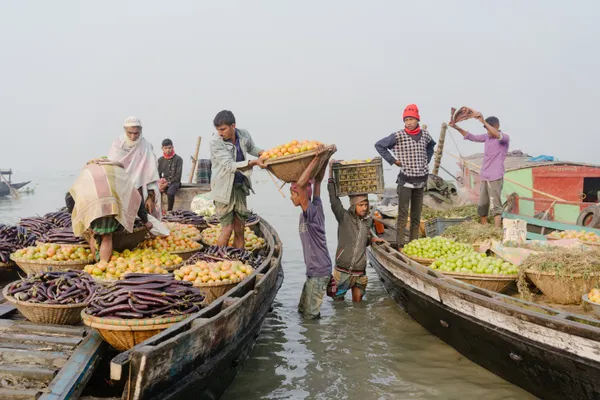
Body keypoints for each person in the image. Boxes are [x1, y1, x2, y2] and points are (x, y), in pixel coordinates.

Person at [375, 104, 436, 250]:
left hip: (420, 180)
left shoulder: (425, 135)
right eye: (406, 119)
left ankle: (413, 244)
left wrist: (426, 160)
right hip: (405, 180)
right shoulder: (398, 135)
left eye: (411, 119)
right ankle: (401, 245)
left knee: (416, 215)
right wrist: (393, 161)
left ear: (417, 120)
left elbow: (431, 146)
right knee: (403, 214)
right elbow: (379, 145)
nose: (409, 122)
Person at [67, 158, 152, 262]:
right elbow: (136, 197)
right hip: (107, 205)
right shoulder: (118, 173)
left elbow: (70, 196)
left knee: (93, 234)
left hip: (88, 205)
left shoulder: (87, 171)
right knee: (106, 236)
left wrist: (77, 217)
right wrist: (145, 221)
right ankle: (103, 265)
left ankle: (96, 262)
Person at [327, 159, 386, 302]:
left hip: (360, 272)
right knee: (339, 304)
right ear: (354, 206)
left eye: (366, 204)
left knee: (359, 305)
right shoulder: (343, 217)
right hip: (342, 272)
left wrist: (373, 239)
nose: (364, 208)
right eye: (361, 205)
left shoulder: (368, 221)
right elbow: (333, 199)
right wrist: (330, 172)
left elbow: (364, 240)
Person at [291, 145, 335, 319]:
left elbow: (302, 185)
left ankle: (315, 343)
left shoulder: (311, 212)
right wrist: (325, 159)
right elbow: (317, 181)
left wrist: (316, 158)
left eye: (293, 195)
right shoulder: (316, 205)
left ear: (301, 196)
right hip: (315, 270)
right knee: (302, 311)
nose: (291, 198)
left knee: (310, 316)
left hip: (319, 271)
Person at [210, 110, 265, 248]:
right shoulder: (215, 142)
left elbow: (252, 148)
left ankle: (238, 259)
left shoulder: (244, 134)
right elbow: (229, 165)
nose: (220, 133)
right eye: (218, 130)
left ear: (233, 126)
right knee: (227, 229)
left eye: (223, 129)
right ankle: (218, 260)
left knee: (240, 228)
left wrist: (263, 153)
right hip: (223, 190)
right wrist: (254, 162)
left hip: (239, 186)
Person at [449, 113, 509, 227]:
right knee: (482, 203)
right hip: (485, 176)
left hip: (495, 177)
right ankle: (484, 226)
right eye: (486, 129)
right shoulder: (487, 138)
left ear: (496, 127)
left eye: (489, 129)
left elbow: (497, 134)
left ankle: (496, 229)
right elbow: (471, 136)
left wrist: (483, 121)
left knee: (495, 204)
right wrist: (456, 127)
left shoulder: (503, 138)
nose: (487, 132)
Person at [108, 116, 161, 219]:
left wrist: (150, 196)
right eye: (130, 133)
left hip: (140, 189)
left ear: (141, 131)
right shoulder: (117, 145)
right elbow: (113, 169)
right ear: (125, 130)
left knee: (143, 219)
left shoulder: (146, 146)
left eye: (136, 133)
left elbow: (151, 174)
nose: (133, 136)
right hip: (122, 188)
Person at [158, 139, 183, 212]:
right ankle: (157, 211)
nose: (168, 150)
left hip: (175, 182)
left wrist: (167, 184)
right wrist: (160, 183)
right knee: (154, 191)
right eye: (165, 148)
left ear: (173, 147)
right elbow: (158, 174)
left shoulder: (178, 159)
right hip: (164, 182)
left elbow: (178, 176)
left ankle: (169, 212)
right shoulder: (160, 160)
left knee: (170, 192)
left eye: (169, 148)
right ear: (162, 148)